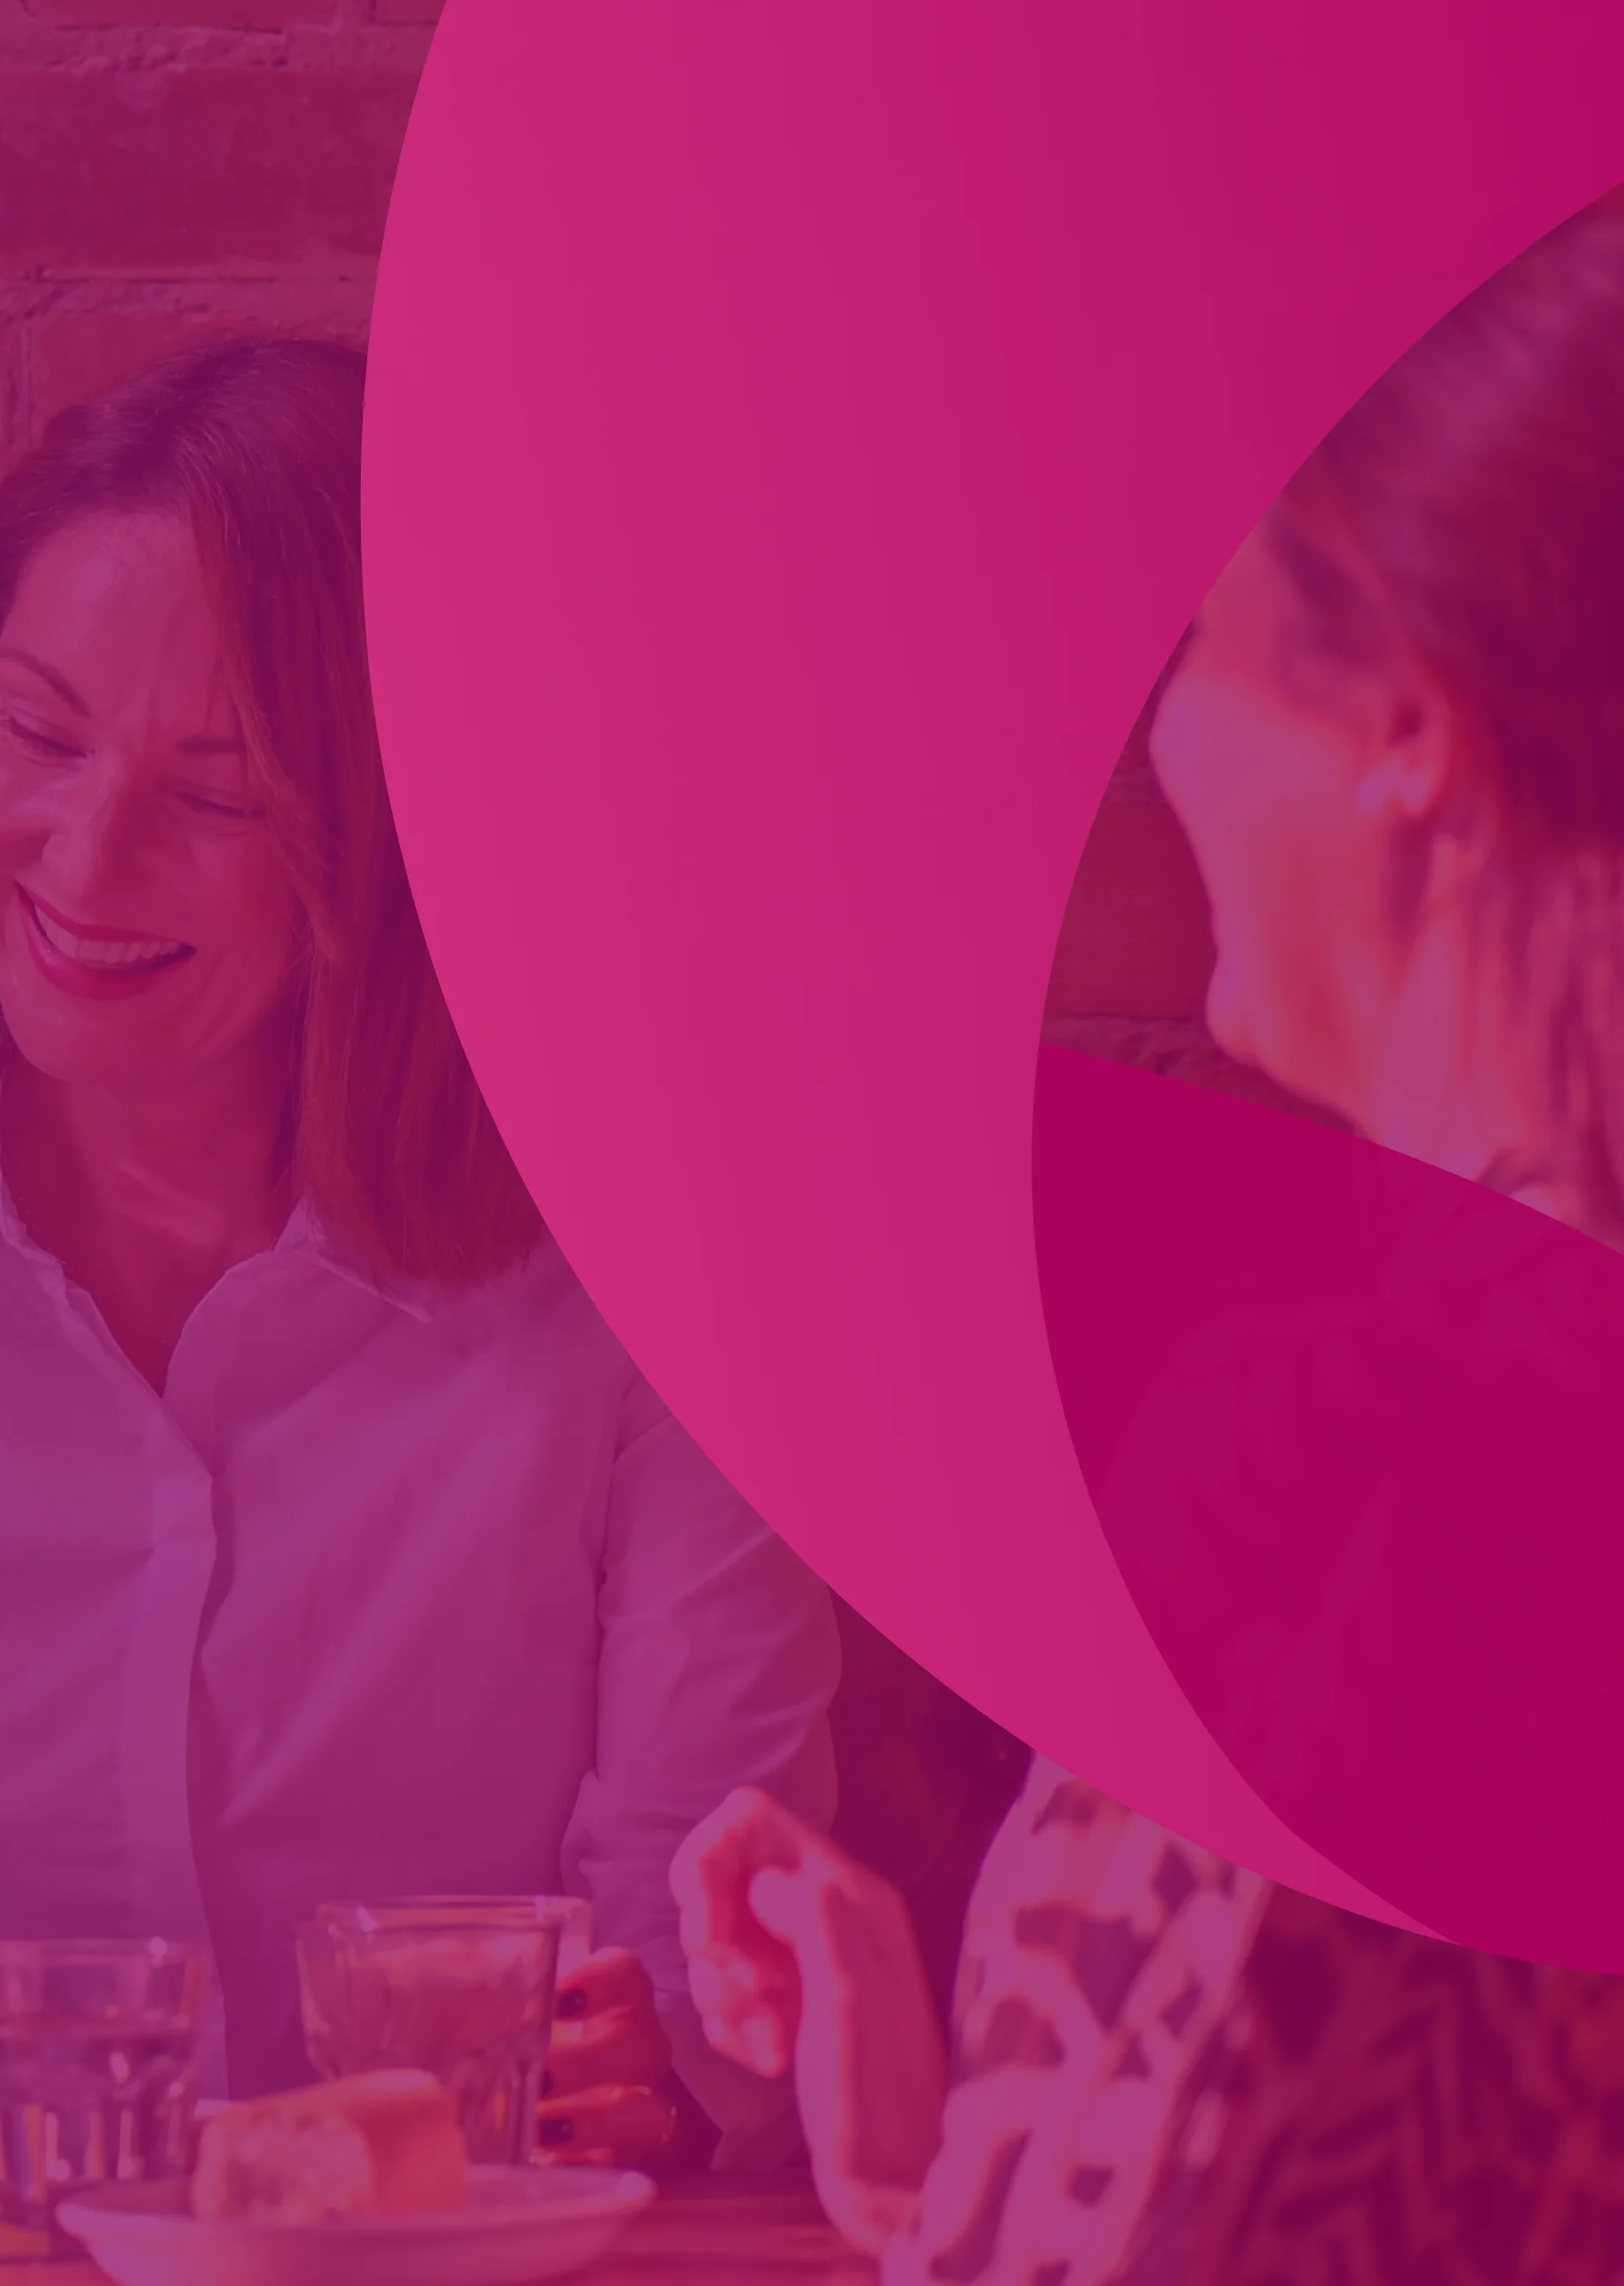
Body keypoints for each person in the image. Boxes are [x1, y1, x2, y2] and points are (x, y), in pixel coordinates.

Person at [0, 340, 840, 2162]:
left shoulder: (642, 1307)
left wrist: (678, 2080)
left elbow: (714, 2015)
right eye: (39, 734)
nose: (82, 853)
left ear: (395, 837)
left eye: (215, 795)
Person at [683, 188, 1624, 2286]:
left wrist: (1022, 2169)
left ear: (1406, 732)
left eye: (1200, 637)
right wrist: (966, 2152)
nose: (1165, 735)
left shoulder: (1395, 1474)